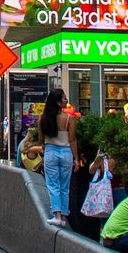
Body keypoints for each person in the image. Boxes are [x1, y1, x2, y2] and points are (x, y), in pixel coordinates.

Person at [40, 87, 77, 227]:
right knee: (64, 186)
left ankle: (56, 215)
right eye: (64, 98)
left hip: (50, 151)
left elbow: (40, 139)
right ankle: (63, 215)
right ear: (58, 102)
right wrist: (76, 158)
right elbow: (72, 140)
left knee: (53, 184)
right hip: (66, 152)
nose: (66, 99)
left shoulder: (44, 118)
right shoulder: (70, 119)